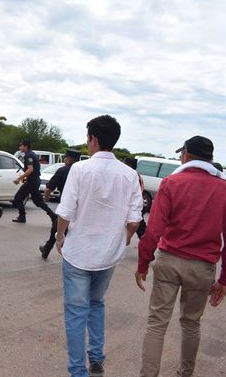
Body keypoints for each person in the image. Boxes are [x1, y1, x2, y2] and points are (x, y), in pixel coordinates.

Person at [135, 136, 226, 377]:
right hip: (202, 268)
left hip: (169, 260)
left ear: (187, 155)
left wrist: (143, 263)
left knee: (157, 322)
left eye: (182, 153)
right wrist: (225, 279)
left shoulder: (172, 183)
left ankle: (148, 374)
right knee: (191, 323)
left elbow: (154, 230)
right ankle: (185, 372)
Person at [54, 115, 142, 377]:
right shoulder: (129, 175)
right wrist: (122, 239)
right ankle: (97, 357)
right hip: (108, 254)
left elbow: (66, 211)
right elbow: (135, 219)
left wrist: (60, 237)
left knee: (75, 312)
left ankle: (78, 371)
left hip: (79, 251)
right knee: (96, 303)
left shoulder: (80, 170)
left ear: (93, 139)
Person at [39, 148, 80, 259]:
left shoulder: (63, 170)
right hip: (82, 209)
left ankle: (50, 250)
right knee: (60, 229)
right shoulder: (83, 171)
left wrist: (46, 199)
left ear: (68, 159)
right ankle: (46, 249)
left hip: (67, 207)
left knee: (58, 228)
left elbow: (48, 188)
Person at [11, 140, 57, 225]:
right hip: (34, 181)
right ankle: (53, 216)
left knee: (18, 198)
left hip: (32, 181)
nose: (19, 147)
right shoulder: (32, 154)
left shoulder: (28, 155)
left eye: (21, 146)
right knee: (38, 202)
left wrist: (19, 178)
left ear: (26, 146)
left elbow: (30, 169)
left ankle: (22, 217)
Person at [124, 157, 147, 240]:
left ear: (128, 165)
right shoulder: (136, 175)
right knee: (140, 227)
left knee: (140, 227)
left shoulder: (132, 176)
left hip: (135, 205)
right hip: (138, 204)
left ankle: (146, 242)